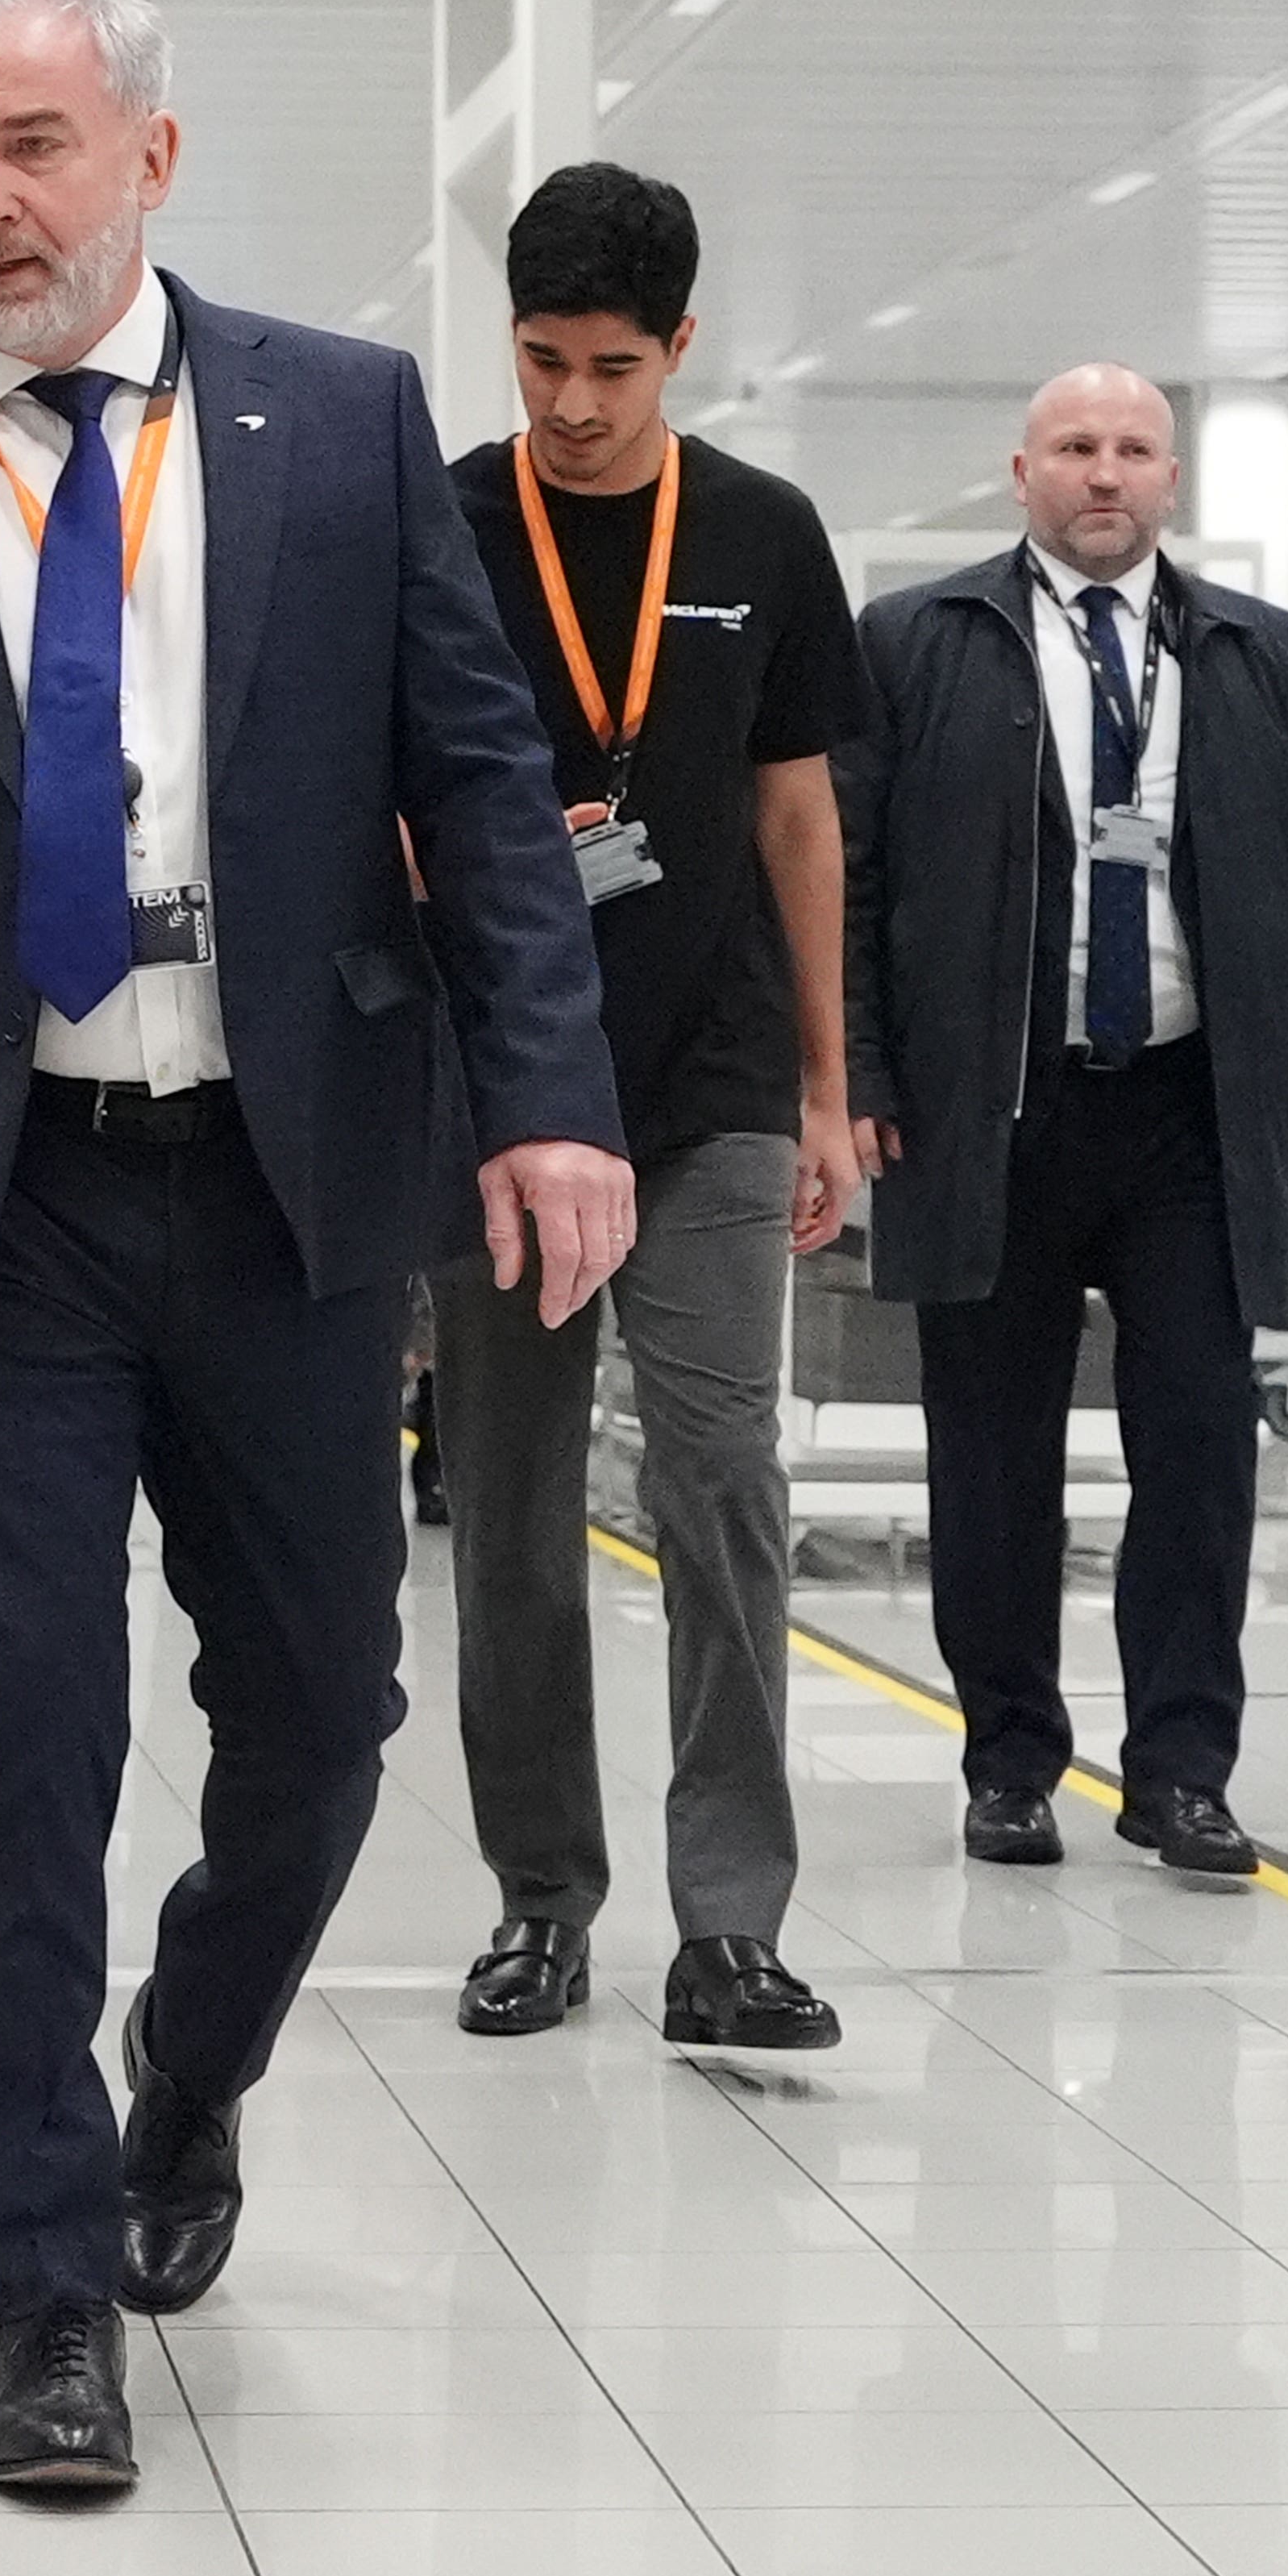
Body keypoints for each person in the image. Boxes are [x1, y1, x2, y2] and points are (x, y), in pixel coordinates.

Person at [0, 0, 629, 2495]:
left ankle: (183, 2067)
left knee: (317, 1715)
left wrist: (547, 1095)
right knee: (1, 1757)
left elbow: (481, 786)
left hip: (278, 1180)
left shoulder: (334, 423)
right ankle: (40, 2290)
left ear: (147, 157)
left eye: (32, 147)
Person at [837, 368, 1288, 1882]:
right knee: (995, 1457)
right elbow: (858, 885)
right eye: (1075, 449)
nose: (1105, 474)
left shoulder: (1266, 658)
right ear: (1019, 471)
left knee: (1203, 1453)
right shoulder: (918, 643)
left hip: (1191, 1116)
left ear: (1173, 480)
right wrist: (863, 1078)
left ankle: (1182, 1771)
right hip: (991, 1114)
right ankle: (1012, 1762)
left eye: (1133, 450)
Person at [433, 165, 873, 2055]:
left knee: (724, 1491)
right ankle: (544, 1897)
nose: (576, 403)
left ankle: (732, 1926)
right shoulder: (444, 524)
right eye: (543, 361)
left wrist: (832, 1091)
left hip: (710, 1086)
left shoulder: (765, 533)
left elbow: (795, 814)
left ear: (680, 346)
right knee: (513, 1511)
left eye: (614, 365)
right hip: (503, 1096)